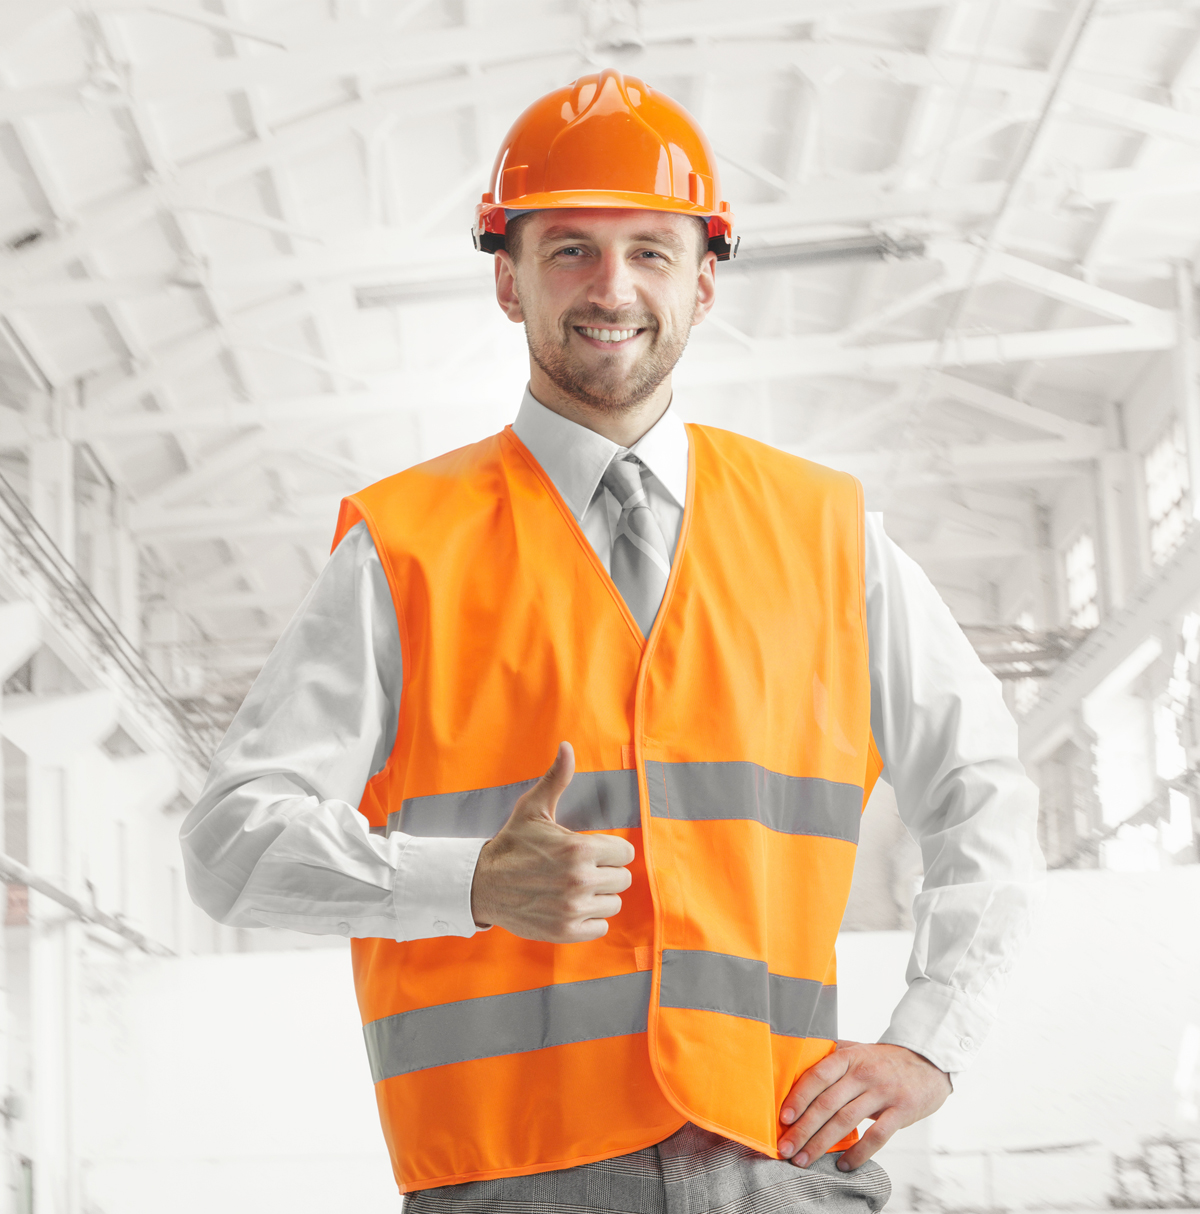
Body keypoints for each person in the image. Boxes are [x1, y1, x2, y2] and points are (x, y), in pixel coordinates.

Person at [181, 69, 1042, 1214]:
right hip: (508, 1176)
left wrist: (933, 1039)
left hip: (777, 1161)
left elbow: (984, 786)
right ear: (508, 280)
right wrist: (469, 880)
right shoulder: (404, 547)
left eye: (651, 249)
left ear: (703, 283)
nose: (613, 285)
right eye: (570, 250)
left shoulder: (831, 535)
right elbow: (230, 844)